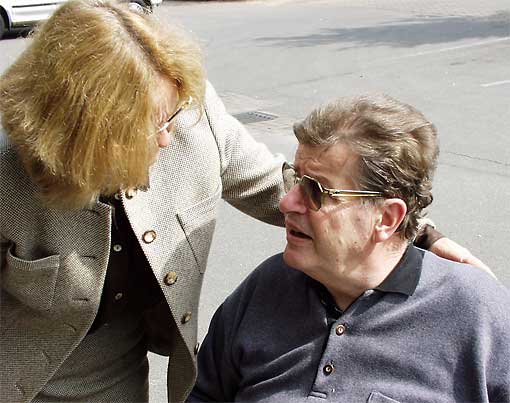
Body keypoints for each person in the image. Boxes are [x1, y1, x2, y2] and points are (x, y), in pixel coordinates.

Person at [0, 1, 488, 402]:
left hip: (111, 383)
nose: (170, 137)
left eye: (172, 116)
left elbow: (289, 190)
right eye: (151, 127)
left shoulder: (189, 117)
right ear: (86, 138)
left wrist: (417, 234)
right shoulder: (8, 171)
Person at [189, 95, 510, 403]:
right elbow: (202, 394)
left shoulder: (476, 314)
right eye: (296, 179)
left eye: (316, 190)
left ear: (386, 218)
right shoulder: (266, 288)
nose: (286, 202)